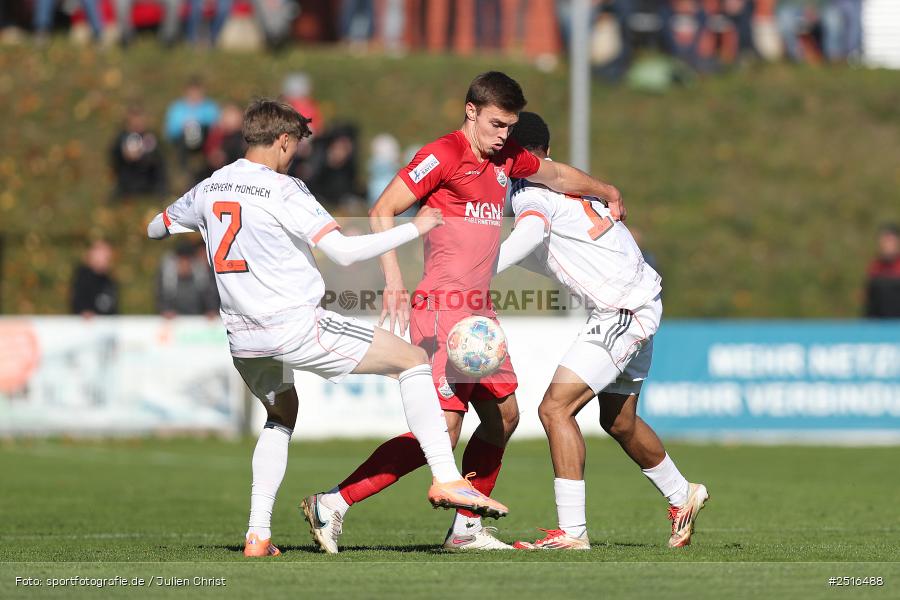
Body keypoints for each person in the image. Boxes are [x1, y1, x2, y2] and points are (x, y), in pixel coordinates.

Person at [146, 99, 507, 558]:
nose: (295, 155)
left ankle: (258, 535)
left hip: (243, 338)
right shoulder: (283, 189)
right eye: (295, 146)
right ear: (283, 141)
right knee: (413, 360)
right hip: (295, 327)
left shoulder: (210, 186)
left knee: (281, 415)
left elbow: (157, 227)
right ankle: (446, 477)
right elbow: (344, 252)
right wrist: (414, 228)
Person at [304, 71, 626, 553]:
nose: (504, 135)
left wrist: (606, 189)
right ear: (471, 111)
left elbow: (556, 176)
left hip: (479, 315)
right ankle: (332, 502)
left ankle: (465, 530)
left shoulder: (506, 156)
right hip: (441, 309)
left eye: (510, 126)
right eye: (497, 124)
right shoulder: (443, 154)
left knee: (504, 417)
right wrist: (393, 279)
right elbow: (382, 209)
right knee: (444, 431)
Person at [494, 112, 707, 550]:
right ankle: (682, 494)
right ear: (547, 151)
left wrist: (477, 271)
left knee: (555, 410)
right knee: (619, 421)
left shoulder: (529, 190)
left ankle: (573, 532)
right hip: (638, 298)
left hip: (621, 309)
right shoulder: (562, 181)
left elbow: (531, 232)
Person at [109, 104, 168, 199]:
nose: (137, 123)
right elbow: (114, 158)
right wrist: (124, 154)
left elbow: (160, 161)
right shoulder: (122, 138)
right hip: (127, 183)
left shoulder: (151, 137)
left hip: (149, 183)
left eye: (139, 119)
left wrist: (145, 155)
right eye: (134, 120)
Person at [156, 239, 219, 317]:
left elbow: (209, 296)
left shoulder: (201, 275)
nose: (184, 265)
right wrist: (166, 310)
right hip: (175, 320)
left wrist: (211, 310)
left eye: (187, 261)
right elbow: (162, 297)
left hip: (197, 319)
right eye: (181, 261)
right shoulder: (168, 278)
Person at [71, 239, 118, 317]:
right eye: (102, 254)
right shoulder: (83, 276)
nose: (105, 258)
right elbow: (78, 302)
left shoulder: (109, 280)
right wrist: (84, 312)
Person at [864, 224, 900, 318]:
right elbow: (870, 304)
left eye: (890, 241)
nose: (887, 245)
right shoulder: (875, 267)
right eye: (885, 241)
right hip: (879, 323)